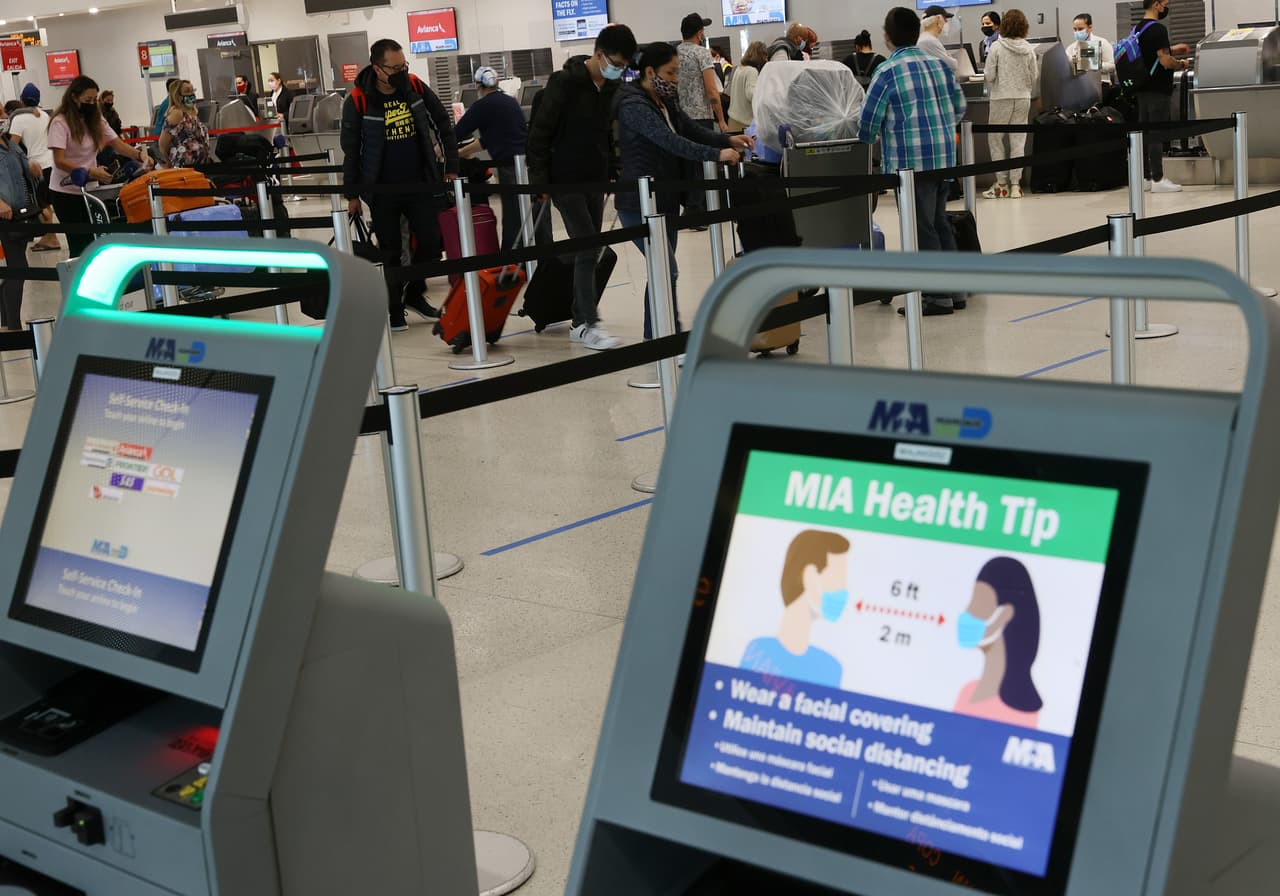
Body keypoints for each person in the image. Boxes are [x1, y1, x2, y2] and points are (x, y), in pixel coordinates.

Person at [614, 42, 749, 339]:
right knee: (666, 269)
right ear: (649, 71)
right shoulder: (633, 105)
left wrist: (728, 140)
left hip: (665, 198)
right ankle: (666, 336)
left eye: (676, 73)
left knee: (662, 270)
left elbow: (691, 130)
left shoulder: (665, 101)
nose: (675, 79)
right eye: (670, 72)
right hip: (639, 202)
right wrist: (716, 155)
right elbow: (671, 141)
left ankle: (658, 334)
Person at [528, 23, 637, 351]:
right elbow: (539, 133)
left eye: (624, 66)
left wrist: (612, 169)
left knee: (592, 247)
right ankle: (586, 322)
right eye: (616, 63)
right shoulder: (565, 83)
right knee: (588, 246)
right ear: (600, 54)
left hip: (595, 179)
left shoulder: (607, 89)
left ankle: (581, 317)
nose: (619, 70)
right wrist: (540, 182)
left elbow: (606, 133)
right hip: (565, 181)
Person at [341, 38, 459, 331]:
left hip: (420, 183)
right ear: (376, 67)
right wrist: (352, 194)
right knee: (391, 251)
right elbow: (351, 149)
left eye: (403, 66)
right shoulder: (358, 99)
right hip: (382, 190)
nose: (399, 72)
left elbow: (443, 122)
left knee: (432, 242)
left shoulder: (414, 86)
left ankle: (415, 293)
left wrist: (451, 168)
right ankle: (395, 309)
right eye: (393, 68)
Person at [858, 7, 966, 316]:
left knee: (923, 229)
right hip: (944, 158)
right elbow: (959, 108)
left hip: (911, 164)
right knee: (940, 223)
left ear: (887, 37)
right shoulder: (939, 66)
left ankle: (936, 297)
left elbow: (868, 126)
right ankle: (956, 292)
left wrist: (869, 137)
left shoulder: (887, 72)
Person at [48, 75, 153, 259]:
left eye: (94, 99)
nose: (91, 104)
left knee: (95, 242)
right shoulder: (60, 122)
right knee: (79, 245)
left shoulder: (96, 120)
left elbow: (117, 144)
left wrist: (139, 155)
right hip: (65, 193)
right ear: (74, 97)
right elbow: (59, 160)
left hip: (90, 192)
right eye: (87, 100)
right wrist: (88, 171)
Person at [739, 531, 850, 689]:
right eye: (837, 580)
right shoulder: (758, 653)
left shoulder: (830, 669)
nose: (843, 592)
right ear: (810, 577)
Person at [953, 557, 1043, 729]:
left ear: (1004, 615)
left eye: (978, 604)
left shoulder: (1021, 708)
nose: (967, 613)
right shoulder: (968, 691)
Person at [454, 66, 530, 251]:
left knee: (513, 214)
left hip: (509, 166)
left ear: (478, 85)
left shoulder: (482, 106)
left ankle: (511, 259)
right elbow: (488, 140)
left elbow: (457, 132)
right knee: (527, 212)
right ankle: (533, 258)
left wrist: (440, 151)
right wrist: (458, 154)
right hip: (527, 164)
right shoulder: (510, 102)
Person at [1136, 0, 1192, 193]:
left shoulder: (1138, 28)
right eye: (1165, 3)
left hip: (1142, 89)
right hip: (1158, 90)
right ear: (1156, 4)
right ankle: (1158, 180)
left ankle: (1145, 178)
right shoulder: (1158, 29)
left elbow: (1150, 53)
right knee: (1156, 135)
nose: (1166, 7)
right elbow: (1165, 61)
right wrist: (1181, 64)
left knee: (1143, 134)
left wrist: (1174, 49)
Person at [982, 9, 1038, 199]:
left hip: (1001, 98)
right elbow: (1034, 76)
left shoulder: (997, 47)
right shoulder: (1029, 49)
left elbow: (989, 76)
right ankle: (1016, 185)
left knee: (996, 139)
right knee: (1018, 141)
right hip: (1022, 97)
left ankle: (1002, 184)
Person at [0, 107, 42, 331]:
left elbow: (24, 170)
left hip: (20, 213)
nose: (4, 118)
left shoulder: (11, 143)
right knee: (19, 267)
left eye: (4, 114)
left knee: (15, 266)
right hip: (5, 216)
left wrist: (33, 169)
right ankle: (14, 327)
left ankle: (6, 320)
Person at [7, 83, 59, 252]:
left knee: (40, 204)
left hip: (35, 165)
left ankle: (51, 237)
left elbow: (12, 145)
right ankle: (50, 236)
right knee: (46, 202)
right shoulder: (44, 115)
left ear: (22, 99)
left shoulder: (19, 118)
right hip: (51, 163)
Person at [158, 79, 211, 169]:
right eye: (187, 91)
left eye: (192, 90)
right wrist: (168, 161)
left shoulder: (192, 112)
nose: (191, 94)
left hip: (200, 165)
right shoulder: (177, 113)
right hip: (184, 167)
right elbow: (162, 144)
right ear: (177, 95)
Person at [727, 41, 766, 131]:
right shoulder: (752, 71)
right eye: (765, 56)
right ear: (760, 56)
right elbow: (750, 95)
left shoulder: (739, 68)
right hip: (744, 123)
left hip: (733, 119)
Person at [1066, 13, 1115, 78]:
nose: (1077, 32)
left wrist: (1092, 65)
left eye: (1080, 29)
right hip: (1079, 83)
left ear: (1090, 28)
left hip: (1101, 83)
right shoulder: (1070, 48)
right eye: (1075, 29)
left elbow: (1112, 66)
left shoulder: (1103, 43)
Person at [917, 5, 959, 74]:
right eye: (945, 18)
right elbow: (952, 65)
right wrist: (950, 58)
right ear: (938, 19)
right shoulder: (929, 41)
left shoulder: (925, 38)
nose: (946, 22)